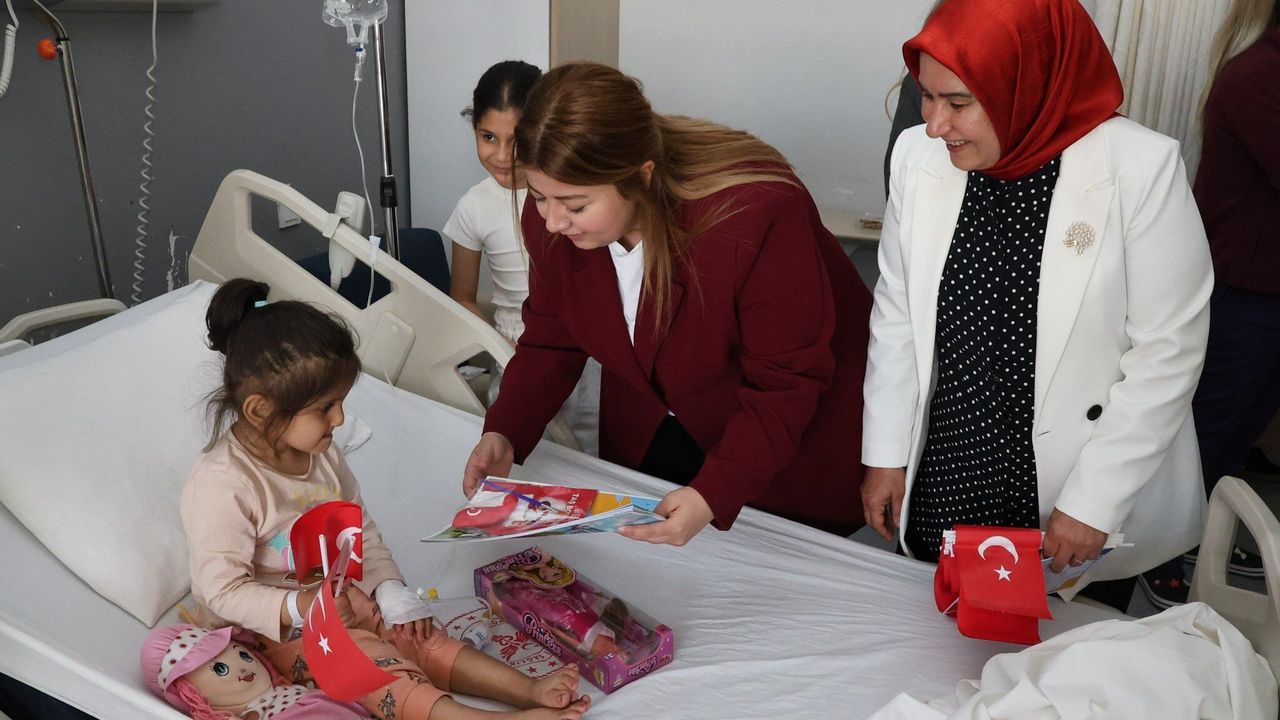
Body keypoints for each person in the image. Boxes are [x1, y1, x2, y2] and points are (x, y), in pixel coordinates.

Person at [860, 0, 1213, 608]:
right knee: (937, 635)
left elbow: (1168, 353)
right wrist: (886, 453)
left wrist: (1095, 499)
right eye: (927, 97)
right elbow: (897, 313)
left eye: (959, 102)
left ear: (1027, 84)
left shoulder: (1137, 168)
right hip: (954, 456)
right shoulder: (918, 157)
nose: (936, 125)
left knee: (1063, 647)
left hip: (1071, 483)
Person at [461, 62, 873, 546]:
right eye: (537, 196)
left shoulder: (754, 216)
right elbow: (553, 338)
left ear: (641, 176)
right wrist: (506, 430)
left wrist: (713, 492)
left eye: (575, 206)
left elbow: (786, 384)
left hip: (783, 441)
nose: (552, 222)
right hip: (657, 419)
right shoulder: (553, 213)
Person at [182, 278, 590, 720]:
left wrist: (390, 591)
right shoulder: (224, 483)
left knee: (421, 636)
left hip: (345, 597)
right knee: (373, 670)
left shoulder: (321, 454)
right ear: (260, 410)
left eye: (340, 403)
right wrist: (299, 606)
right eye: (325, 408)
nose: (340, 419)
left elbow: (359, 529)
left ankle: (525, 689)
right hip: (278, 631)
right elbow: (221, 590)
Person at [1140, 0, 1279, 608]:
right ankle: (1156, 555)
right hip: (1242, 291)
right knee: (1205, 436)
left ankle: (1202, 540)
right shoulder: (1259, 74)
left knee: (1239, 433)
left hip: (1265, 289)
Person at [444, 60, 601, 456]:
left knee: (591, 451)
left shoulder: (570, 197)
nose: (502, 155)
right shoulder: (474, 207)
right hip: (514, 345)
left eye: (516, 140)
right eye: (488, 137)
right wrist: (502, 346)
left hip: (583, 344)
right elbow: (462, 296)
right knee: (517, 448)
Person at [141, 624, 369, 719]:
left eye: (244, 655)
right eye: (220, 669)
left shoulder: (298, 691)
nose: (243, 666)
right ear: (190, 693)